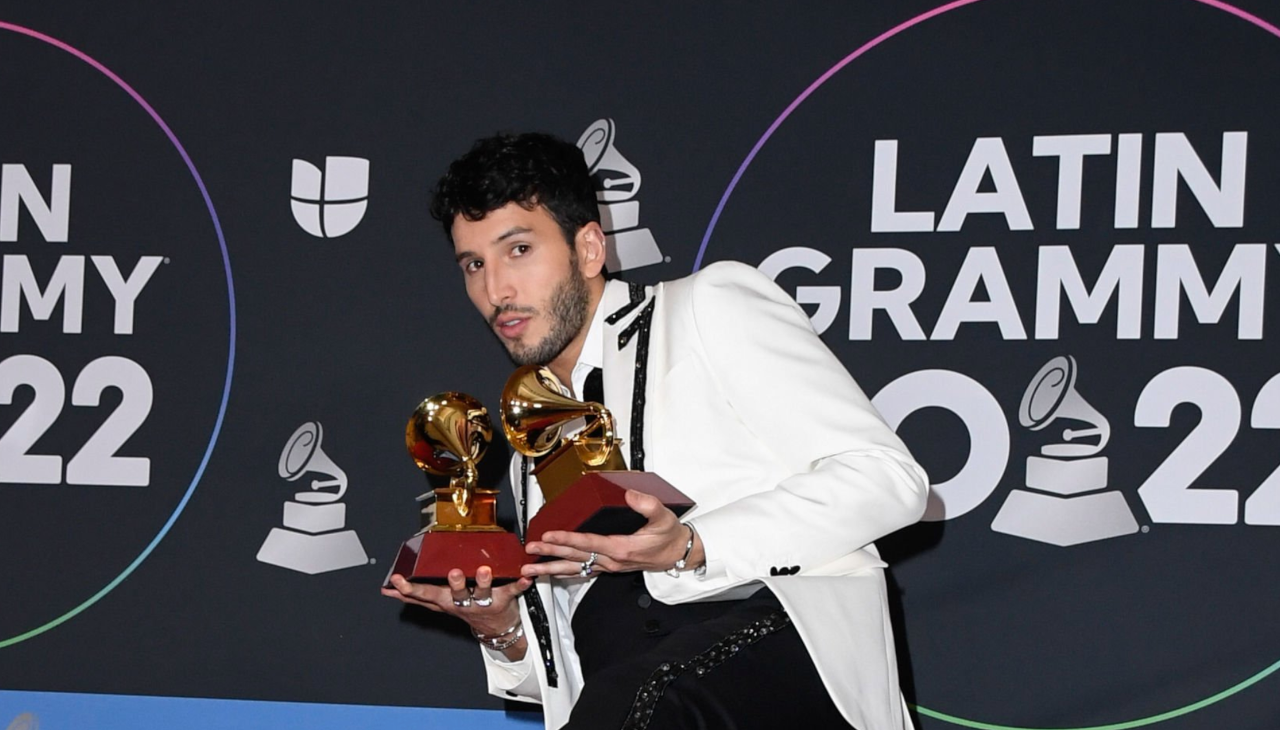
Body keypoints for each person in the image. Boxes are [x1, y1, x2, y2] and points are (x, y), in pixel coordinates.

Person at [382, 132, 929, 730]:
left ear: (588, 248)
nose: (496, 291)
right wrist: (502, 629)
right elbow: (577, 676)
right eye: (474, 264)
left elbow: (890, 479)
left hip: (782, 650)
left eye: (518, 250)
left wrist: (691, 545)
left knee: (639, 698)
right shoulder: (525, 449)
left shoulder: (705, 307)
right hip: (635, 694)